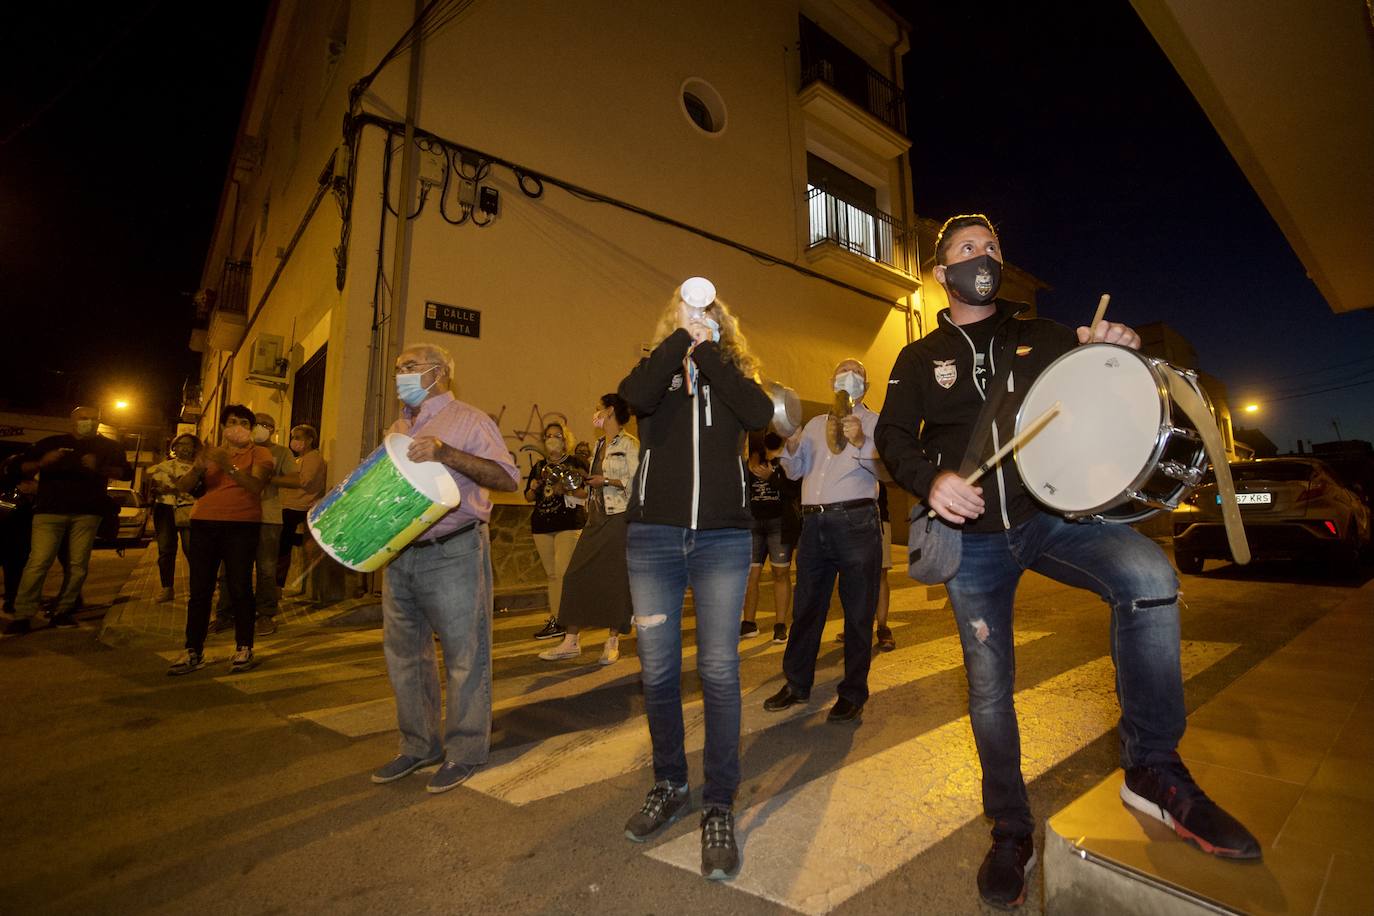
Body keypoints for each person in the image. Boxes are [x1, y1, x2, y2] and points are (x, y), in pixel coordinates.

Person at [875, 214, 1260, 909]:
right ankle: (1010, 829)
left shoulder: (1044, 335)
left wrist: (1119, 351)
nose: (982, 256)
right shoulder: (916, 355)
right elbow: (892, 435)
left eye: (991, 246)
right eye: (966, 249)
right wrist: (931, 479)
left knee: (1150, 577)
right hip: (974, 542)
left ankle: (1152, 769)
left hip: (1050, 519)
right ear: (941, 272)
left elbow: (1101, 386)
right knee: (991, 685)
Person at [617, 280, 773, 881]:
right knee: (656, 669)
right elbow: (635, 397)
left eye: (707, 314)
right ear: (673, 321)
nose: (697, 321)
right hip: (653, 536)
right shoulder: (654, 367)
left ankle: (719, 804)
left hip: (722, 539)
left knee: (718, 669)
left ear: (722, 324)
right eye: (687, 314)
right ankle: (670, 783)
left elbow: (759, 416)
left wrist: (710, 353)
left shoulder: (732, 371)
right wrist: (679, 343)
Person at [368, 342, 519, 793]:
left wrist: (446, 453)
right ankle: (418, 746)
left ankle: (465, 751)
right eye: (398, 368)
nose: (400, 375)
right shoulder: (397, 426)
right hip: (400, 554)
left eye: (409, 367)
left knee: (464, 657)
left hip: (454, 550)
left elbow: (507, 477)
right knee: (404, 656)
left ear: (438, 372)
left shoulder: (470, 420)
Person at [763, 359, 885, 724]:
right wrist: (791, 444)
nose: (849, 377)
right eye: (843, 371)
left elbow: (885, 471)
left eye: (857, 373)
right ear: (832, 380)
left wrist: (861, 441)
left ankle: (852, 693)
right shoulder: (816, 424)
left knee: (858, 612)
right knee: (807, 609)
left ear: (866, 384)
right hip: (813, 523)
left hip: (856, 521)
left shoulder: (875, 422)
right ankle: (796, 683)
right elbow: (797, 471)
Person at [4, 407, 131, 636]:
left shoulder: (109, 446)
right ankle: (23, 614)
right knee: (39, 562)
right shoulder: (51, 442)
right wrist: (43, 462)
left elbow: (125, 473)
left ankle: (64, 610)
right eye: (84, 419)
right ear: (72, 421)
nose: (89, 423)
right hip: (49, 511)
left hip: (87, 512)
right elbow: (17, 468)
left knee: (77, 565)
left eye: (94, 419)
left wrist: (99, 468)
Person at [167, 404, 274, 675]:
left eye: (242, 422)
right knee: (200, 589)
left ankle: (244, 646)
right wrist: (198, 468)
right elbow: (184, 488)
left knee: (239, 586)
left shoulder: (260, 453)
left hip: (242, 524)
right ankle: (193, 649)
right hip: (204, 522)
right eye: (231, 421)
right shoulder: (210, 454)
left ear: (250, 429)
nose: (236, 426)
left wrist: (230, 467)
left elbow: (255, 487)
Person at [538, 393, 639, 664]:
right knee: (574, 575)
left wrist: (605, 480)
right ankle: (571, 640)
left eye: (598, 409)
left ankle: (612, 641)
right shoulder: (598, 445)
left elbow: (636, 484)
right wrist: (573, 484)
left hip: (618, 518)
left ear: (610, 411)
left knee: (615, 581)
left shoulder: (630, 444)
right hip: (594, 518)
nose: (595, 414)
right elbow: (589, 489)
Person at [525, 420, 588, 641]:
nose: (552, 439)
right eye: (548, 436)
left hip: (568, 523)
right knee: (552, 575)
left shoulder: (575, 462)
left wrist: (566, 487)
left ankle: (567, 620)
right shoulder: (539, 467)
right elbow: (528, 497)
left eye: (557, 435)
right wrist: (533, 487)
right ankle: (556, 618)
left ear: (565, 440)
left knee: (563, 573)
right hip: (542, 525)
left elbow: (585, 492)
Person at [739, 431, 799, 643]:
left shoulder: (786, 461)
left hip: (779, 524)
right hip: (753, 523)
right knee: (750, 576)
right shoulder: (749, 462)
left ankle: (780, 625)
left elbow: (794, 490)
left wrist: (771, 477)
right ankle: (748, 623)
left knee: (780, 574)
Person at [145, 433, 199, 603]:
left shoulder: (198, 468)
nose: (184, 447)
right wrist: (164, 489)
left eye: (189, 444)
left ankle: (198, 588)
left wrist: (177, 487)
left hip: (189, 509)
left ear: (195, 448)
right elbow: (158, 487)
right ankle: (167, 588)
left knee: (192, 549)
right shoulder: (164, 466)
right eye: (180, 444)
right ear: (174, 447)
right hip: (165, 509)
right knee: (166, 550)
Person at [277, 423, 327, 594]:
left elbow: (304, 481)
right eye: (293, 437)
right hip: (291, 504)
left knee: (283, 546)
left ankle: (278, 584)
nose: (294, 441)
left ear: (310, 439)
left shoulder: (313, 458)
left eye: (298, 437)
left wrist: (278, 480)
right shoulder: (299, 459)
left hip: (299, 506)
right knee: (284, 543)